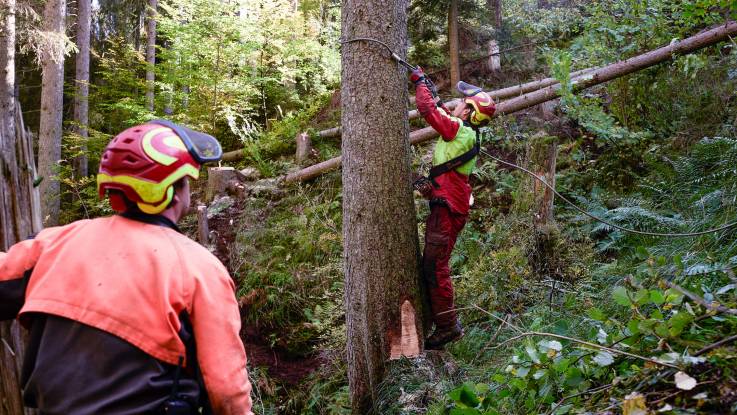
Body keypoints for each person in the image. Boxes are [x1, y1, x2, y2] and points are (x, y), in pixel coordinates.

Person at [0, 120, 253, 414]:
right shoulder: (199, 268)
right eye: (186, 183)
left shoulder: (55, 242)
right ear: (171, 190)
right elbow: (226, 392)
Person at [410, 68, 496, 349]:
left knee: (436, 267)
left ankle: (448, 326)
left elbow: (428, 109)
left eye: (462, 103)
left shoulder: (460, 131)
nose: (456, 104)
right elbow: (451, 176)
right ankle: (443, 322)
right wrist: (431, 189)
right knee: (433, 266)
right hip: (447, 205)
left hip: (448, 210)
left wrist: (420, 82)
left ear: (469, 112)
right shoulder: (465, 133)